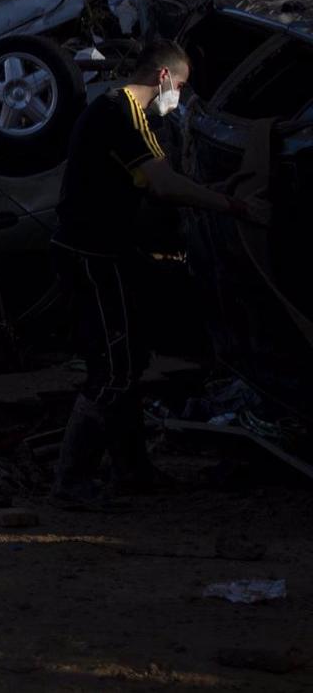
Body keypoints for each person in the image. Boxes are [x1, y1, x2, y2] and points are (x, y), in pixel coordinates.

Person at [50, 38, 269, 508]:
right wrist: (235, 206)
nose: (181, 98)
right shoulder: (126, 113)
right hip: (95, 259)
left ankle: (133, 473)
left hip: (106, 254)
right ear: (164, 77)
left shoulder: (117, 107)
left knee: (126, 360)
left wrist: (213, 188)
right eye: (182, 86)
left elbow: (153, 181)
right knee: (113, 368)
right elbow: (165, 186)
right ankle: (72, 483)